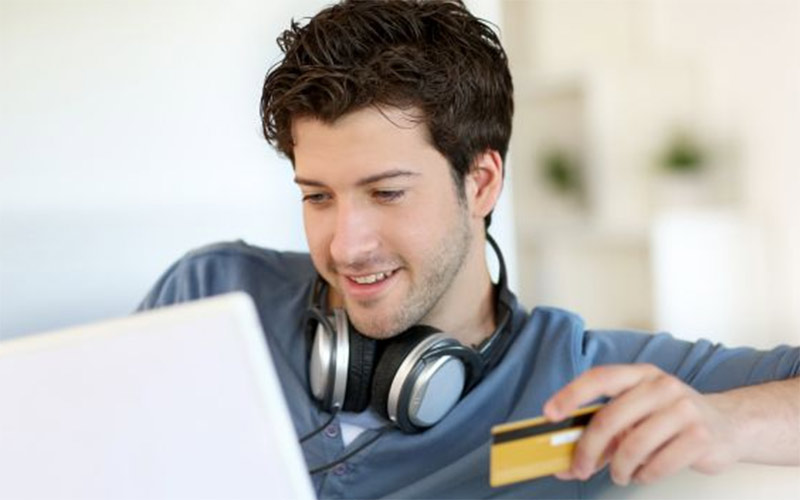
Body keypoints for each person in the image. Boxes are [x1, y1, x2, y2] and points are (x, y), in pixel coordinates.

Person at [138, 1, 800, 498]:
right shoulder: (212, 291)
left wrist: (729, 420)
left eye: (387, 193)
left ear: (480, 182)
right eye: (317, 196)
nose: (346, 245)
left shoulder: (572, 380)